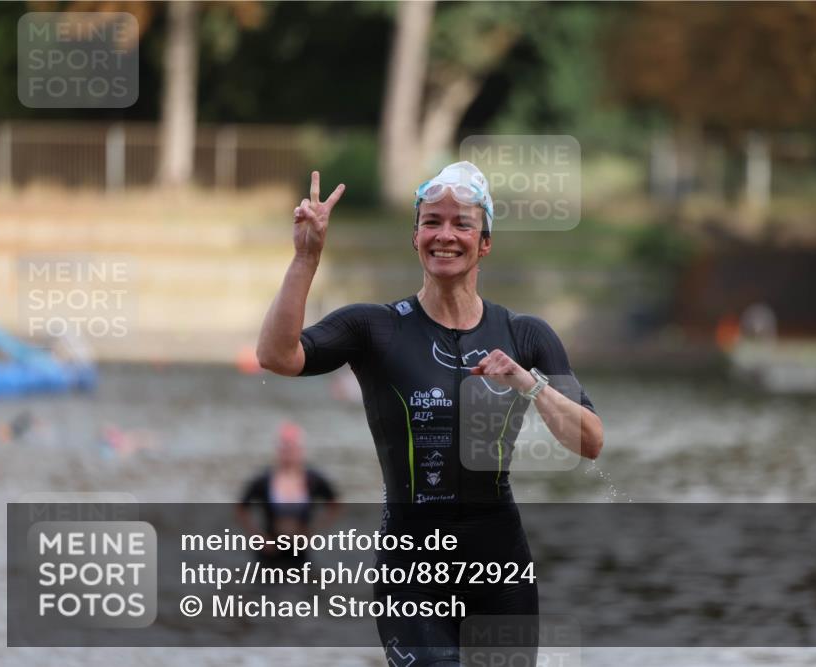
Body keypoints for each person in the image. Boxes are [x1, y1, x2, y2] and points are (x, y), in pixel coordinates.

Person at [256, 161, 603, 666]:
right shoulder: (375, 328)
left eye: (462, 223)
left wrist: (529, 384)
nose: (445, 235)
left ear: (485, 242)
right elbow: (276, 356)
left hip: (500, 569)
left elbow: (590, 441)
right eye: (432, 222)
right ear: (415, 237)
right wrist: (306, 258)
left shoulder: (524, 335)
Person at [236, 421, 340, 567]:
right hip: (269, 551)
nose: (288, 453)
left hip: (300, 552)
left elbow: (335, 504)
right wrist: (259, 537)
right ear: (278, 450)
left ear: (300, 450)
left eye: (292, 448)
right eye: (284, 448)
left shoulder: (313, 480)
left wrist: (314, 532)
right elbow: (241, 508)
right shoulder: (264, 480)